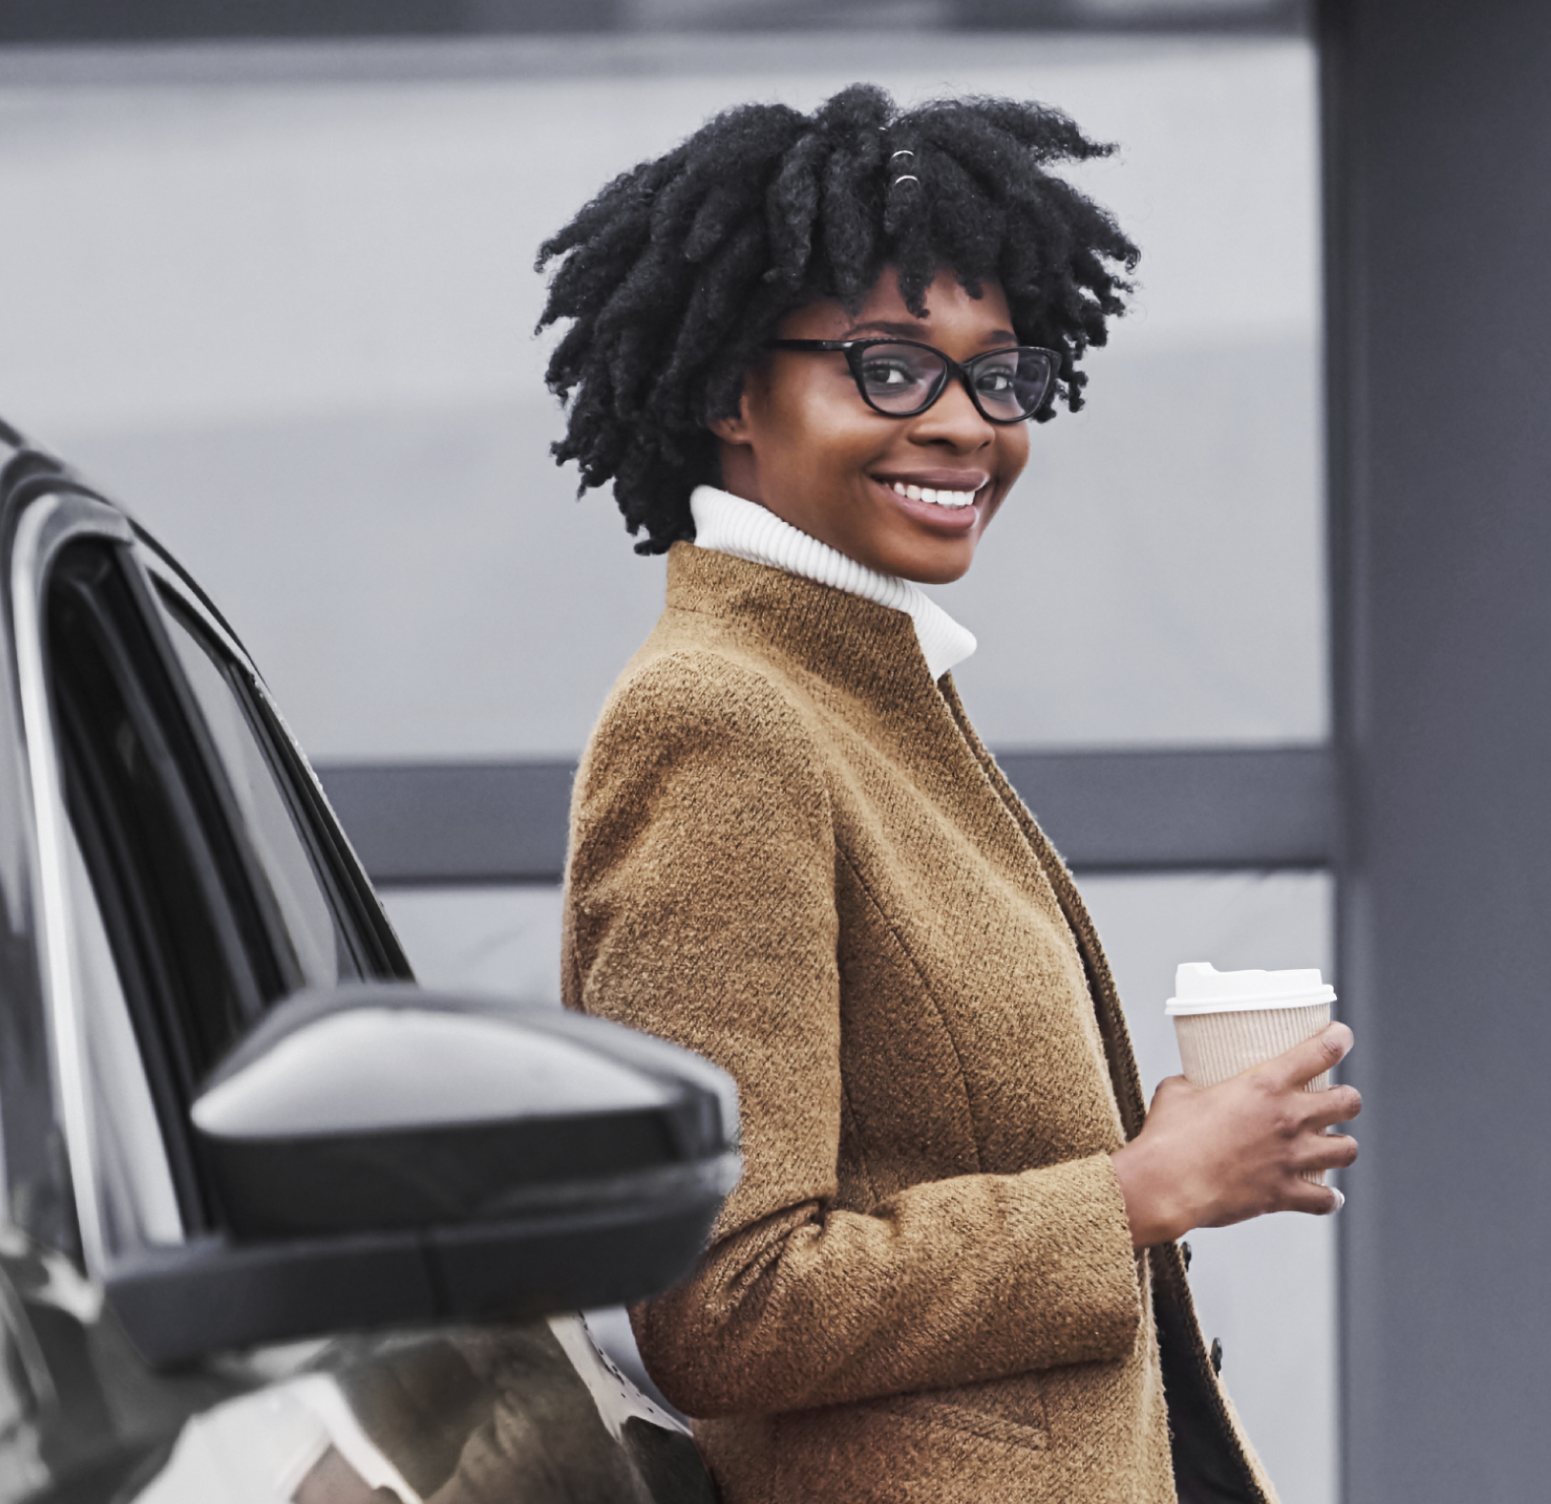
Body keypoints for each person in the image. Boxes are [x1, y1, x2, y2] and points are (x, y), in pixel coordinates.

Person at [539, 83, 1360, 1504]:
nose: (971, 426)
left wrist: (1166, 1156)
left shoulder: (866, 684)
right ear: (734, 393)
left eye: (1003, 376)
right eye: (892, 368)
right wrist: (1138, 1192)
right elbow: (718, 1302)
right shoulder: (723, 716)